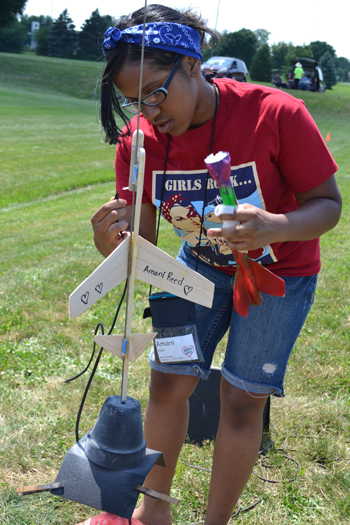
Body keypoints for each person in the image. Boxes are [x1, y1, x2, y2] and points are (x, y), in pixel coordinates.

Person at [88, 5, 342, 525]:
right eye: (132, 99)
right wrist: (112, 244)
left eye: (157, 91)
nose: (148, 110)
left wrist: (277, 225)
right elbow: (144, 244)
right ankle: (152, 513)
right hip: (192, 268)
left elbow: (328, 204)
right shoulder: (138, 141)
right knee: (168, 381)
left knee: (243, 400)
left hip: (280, 275)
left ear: (192, 64)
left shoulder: (276, 113)